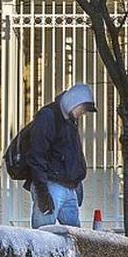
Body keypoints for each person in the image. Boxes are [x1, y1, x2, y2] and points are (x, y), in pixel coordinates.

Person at [24, 83, 96, 228]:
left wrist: (76, 182)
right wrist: (42, 191)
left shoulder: (69, 120)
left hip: (67, 186)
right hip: (51, 184)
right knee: (44, 233)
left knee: (74, 236)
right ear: (74, 101)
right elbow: (36, 155)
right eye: (82, 109)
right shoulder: (48, 116)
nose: (82, 113)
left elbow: (71, 155)